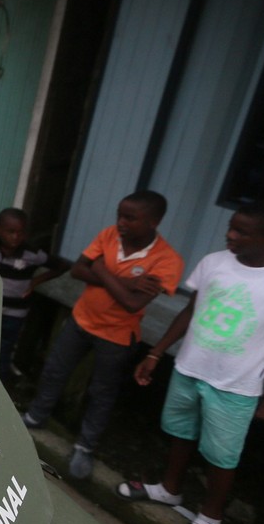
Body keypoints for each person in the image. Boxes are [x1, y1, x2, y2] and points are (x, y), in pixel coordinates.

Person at [117, 201, 264, 524]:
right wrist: (155, 352)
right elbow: (192, 311)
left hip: (235, 386)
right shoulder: (214, 263)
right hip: (190, 369)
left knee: (221, 456)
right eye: (231, 227)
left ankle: (209, 518)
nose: (230, 235)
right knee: (180, 431)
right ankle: (169, 488)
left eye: (241, 232)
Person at [23, 191, 184, 479]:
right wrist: (125, 281)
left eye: (130, 218)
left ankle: (85, 446)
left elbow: (132, 303)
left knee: (102, 392)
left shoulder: (167, 260)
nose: (121, 222)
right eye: (120, 215)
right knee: (55, 370)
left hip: (117, 335)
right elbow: (77, 271)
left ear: (154, 222)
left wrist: (100, 269)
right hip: (81, 319)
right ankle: (36, 416)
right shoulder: (109, 235)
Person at [0, 208, 61, 385]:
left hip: (14, 315)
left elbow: (61, 266)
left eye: (21, 233)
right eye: (10, 232)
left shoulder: (32, 254)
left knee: (3, 351)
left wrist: (36, 281)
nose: (16, 237)